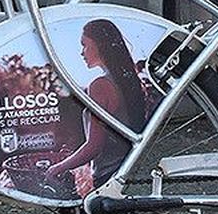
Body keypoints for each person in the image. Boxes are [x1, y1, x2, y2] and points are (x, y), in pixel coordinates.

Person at [45, 18, 150, 196]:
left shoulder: (101, 86)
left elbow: (94, 146)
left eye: (85, 45)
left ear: (101, 46)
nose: (82, 53)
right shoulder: (129, 82)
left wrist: (57, 168)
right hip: (126, 168)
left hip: (107, 175)